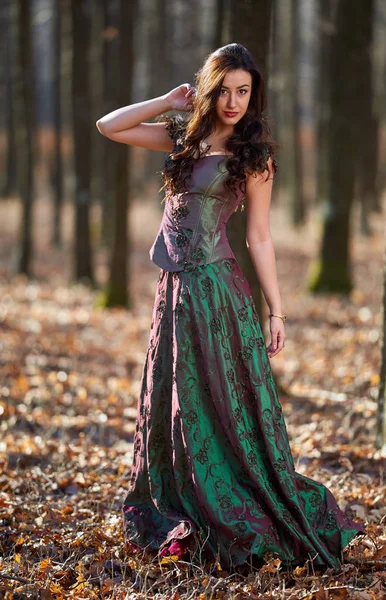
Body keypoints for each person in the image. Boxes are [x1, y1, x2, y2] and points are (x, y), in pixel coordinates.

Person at [96, 43, 366, 571]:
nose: (234, 101)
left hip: (219, 292)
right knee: (177, 398)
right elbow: (109, 125)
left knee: (222, 403)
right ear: (209, 88)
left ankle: (237, 506)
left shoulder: (253, 156)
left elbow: (260, 238)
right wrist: (167, 101)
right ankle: (185, 502)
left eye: (244, 91)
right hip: (173, 293)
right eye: (225, 90)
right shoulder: (184, 138)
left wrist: (277, 311)